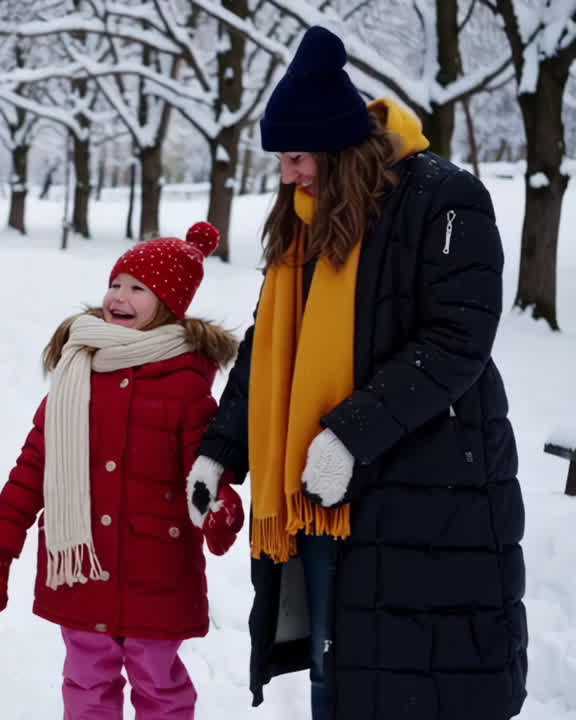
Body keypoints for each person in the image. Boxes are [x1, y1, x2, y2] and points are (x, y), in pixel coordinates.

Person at [185, 26, 527, 720]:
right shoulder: (305, 221)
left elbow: (458, 336)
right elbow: (272, 343)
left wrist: (350, 434)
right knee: (337, 673)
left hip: (430, 494)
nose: (286, 174)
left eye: (296, 156)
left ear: (340, 147)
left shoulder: (444, 198)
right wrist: (224, 450)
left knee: (421, 681)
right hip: (324, 499)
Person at [0, 223, 244, 720]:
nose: (120, 296)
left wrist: (220, 507)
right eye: (116, 283)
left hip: (155, 564)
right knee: (87, 680)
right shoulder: (77, 368)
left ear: (168, 306)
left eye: (139, 289)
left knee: (158, 681)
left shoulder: (185, 385)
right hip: (81, 565)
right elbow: (31, 472)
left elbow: (203, 470)